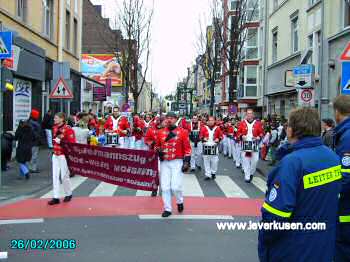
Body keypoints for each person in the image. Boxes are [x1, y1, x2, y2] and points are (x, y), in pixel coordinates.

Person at [258, 108, 342, 262]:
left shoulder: (292, 162)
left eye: (287, 125)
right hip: (324, 246)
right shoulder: (333, 157)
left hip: (292, 248)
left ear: (292, 130)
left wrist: (264, 241)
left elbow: (276, 215)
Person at [155, 112, 191, 217]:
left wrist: (186, 162)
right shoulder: (160, 132)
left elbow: (188, 149)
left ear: (176, 119)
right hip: (164, 162)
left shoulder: (183, 132)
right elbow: (156, 146)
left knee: (175, 187)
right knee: (165, 187)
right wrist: (158, 151)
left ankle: (180, 201)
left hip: (177, 161)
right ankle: (167, 209)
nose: (169, 120)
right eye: (168, 118)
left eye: (171, 118)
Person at [333, 95, 350, 261]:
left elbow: (346, 176)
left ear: (337, 112)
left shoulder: (347, 136)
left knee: (342, 250)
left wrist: (332, 197)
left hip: (346, 208)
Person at [48, 112, 76, 205]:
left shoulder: (68, 129)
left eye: (56, 118)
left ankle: (68, 193)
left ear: (62, 119)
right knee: (55, 176)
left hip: (64, 155)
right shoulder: (54, 128)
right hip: (55, 154)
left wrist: (62, 141)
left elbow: (72, 143)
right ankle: (56, 197)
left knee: (64, 176)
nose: (54, 119)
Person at [237, 109, 264, 183]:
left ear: (253, 115)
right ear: (246, 115)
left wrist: (259, 137)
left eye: (250, 113)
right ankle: (247, 176)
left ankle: (251, 173)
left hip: (254, 144)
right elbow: (238, 133)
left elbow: (261, 133)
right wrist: (242, 136)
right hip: (246, 145)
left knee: (255, 160)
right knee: (246, 160)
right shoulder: (242, 123)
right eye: (248, 113)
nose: (249, 115)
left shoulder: (258, 123)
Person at [144, 116, 163, 197]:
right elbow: (146, 140)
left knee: (164, 173)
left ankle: (164, 189)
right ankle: (154, 189)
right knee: (156, 173)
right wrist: (151, 143)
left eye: (160, 121)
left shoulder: (167, 130)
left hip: (165, 154)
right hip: (154, 154)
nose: (159, 123)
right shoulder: (151, 129)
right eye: (157, 121)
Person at [200, 116, 223, 181]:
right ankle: (208, 174)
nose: (211, 122)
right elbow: (200, 136)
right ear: (207, 121)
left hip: (214, 146)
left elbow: (221, 136)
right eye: (209, 120)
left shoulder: (217, 128)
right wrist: (203, 138)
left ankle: (213, 172)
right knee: (206, 161)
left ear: (214, 121)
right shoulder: (204, 128)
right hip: (206, 145)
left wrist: (218, 139)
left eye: (212, 120)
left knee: (215, 161)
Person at [28, 109, 42, 173]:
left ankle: (32, 167)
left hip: (31, 141)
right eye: (37, 115)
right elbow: (34, 133)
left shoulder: (30, 122)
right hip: (34, 142)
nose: (38, 116)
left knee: (32, 155)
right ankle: (33, 168)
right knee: (34, 155)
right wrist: (38, 137)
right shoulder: (33, 123)